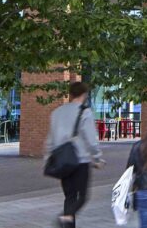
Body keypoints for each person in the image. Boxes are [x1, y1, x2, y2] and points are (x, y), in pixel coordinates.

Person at [46, 81, 103, 227]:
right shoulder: (85, 112)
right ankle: (65, 216)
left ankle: (67, 221)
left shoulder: (56, 113)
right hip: (80, 161)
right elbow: (91, 139)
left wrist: (49, 158)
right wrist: (97, 157)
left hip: (62, 160)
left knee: (69, 196)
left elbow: (50, 139)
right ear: (84, 95)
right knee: (83, 197)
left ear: (70, 94)